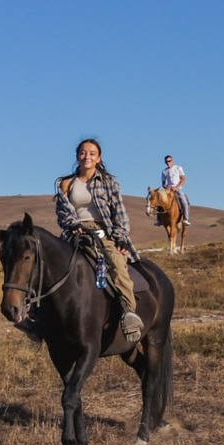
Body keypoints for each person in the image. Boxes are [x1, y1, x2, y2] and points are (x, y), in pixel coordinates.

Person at [55, 138, 143, 341]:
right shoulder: (66, 183)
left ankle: (129, 313)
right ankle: (36, 316)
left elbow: (119, 212)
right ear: (77, 156)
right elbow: (62, 212)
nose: (87, 156)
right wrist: (73, 225)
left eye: (92, 153)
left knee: (116, 262)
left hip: (102, 231)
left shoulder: (109, 182)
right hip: (74, 231)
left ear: (99, 158)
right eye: (83, 153)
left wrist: (120, 237)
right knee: (48, 262)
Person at [160, 154, 191, 224]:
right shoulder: (164, 171)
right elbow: (163, 183)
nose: (168, 163)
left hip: (177, 189)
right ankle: (159, 219)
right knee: (159, 200)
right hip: (168, 189)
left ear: (172, 160)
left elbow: (184, 179)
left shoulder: (178, 168)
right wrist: (166, 186)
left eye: (169, 161)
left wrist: (177, 187)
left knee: (184, 201)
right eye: (166, 162)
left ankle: (186, 218)